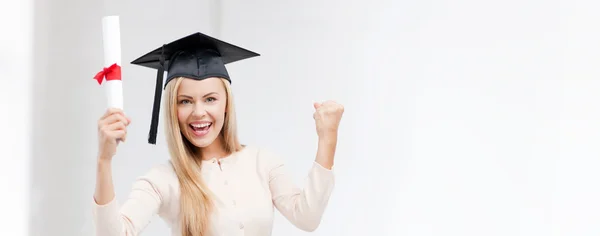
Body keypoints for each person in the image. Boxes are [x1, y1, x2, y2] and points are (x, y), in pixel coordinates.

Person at [92, 32, 344, 236]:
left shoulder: (262, 163)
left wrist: (327, 138)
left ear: (226, 103)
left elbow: (307, 217)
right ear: (172, 109)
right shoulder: (164, 180)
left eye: (210, 99)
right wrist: (104, 161)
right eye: (185, 101)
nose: (198, 112)